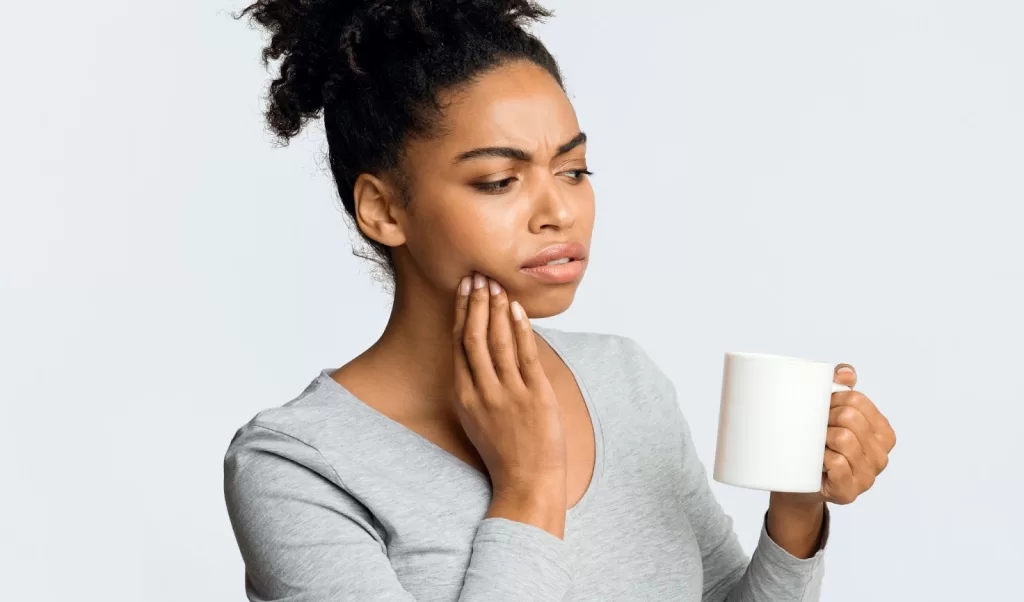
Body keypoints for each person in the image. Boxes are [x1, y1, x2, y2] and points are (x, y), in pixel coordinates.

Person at [223, 1, 898, 600]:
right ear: (384, 209)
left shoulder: (625, 381)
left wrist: (797, 511)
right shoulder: (296, 465)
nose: (559, 212)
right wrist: (528, 491)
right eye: (498, 181)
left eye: (573, 171)